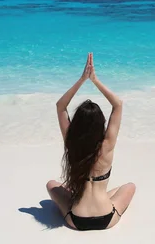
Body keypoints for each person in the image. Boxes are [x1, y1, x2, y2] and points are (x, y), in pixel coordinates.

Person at [46, 53, 136, 231]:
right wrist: (94, 80)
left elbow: (60, 106)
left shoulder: (72, 144)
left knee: (51, 185)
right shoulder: (107, 145)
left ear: (77, 124)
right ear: (101, 123)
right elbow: (118, 104)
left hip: (76, 219)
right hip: (107, 218)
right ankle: (102, 197)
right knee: (129, 186)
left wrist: (82, 80)